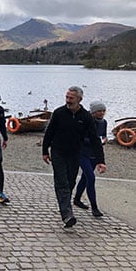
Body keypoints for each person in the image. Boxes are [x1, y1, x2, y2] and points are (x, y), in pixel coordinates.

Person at [43, 86, 105, 228]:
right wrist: (45, 151)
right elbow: (49, 132)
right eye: (67, 97)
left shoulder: (86, 116)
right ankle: (67, 215)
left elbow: (95, 139)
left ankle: (65, 206)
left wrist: (101, 161)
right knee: (61, 182)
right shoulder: (59, 113)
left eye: (71, 98)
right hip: (58, 152)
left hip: (75, 153)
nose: (68, 100)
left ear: (79, 99)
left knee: (70, 182)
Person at [73, 101, 107, 217]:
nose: (101, 113)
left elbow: (103, 136)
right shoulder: (86, 121)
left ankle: (77, 199)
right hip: (83, 153)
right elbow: (81, 138)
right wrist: (95, 140)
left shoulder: (103, 123)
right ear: (93, 112)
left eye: (103, 111)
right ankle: (94, 207)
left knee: (85, 177)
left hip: (94, 154)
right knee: (91, 178)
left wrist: (103, 140)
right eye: (99, 111)